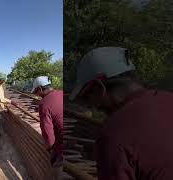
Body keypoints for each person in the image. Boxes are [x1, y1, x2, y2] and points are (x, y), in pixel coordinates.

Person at [69, 47, 173, 180]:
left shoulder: (113, 133)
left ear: (99, 88)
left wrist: (109, 149)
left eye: (86, 96)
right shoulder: (168, 97)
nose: (90, 104)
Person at [31, 76, 64, 180]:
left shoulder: (44, 103)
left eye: (36, 92)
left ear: (40, 89)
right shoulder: (61, 93)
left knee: (57, 170)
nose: (37, 95)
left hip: (62, 146)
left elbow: (47, 131)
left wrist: (51, 149)